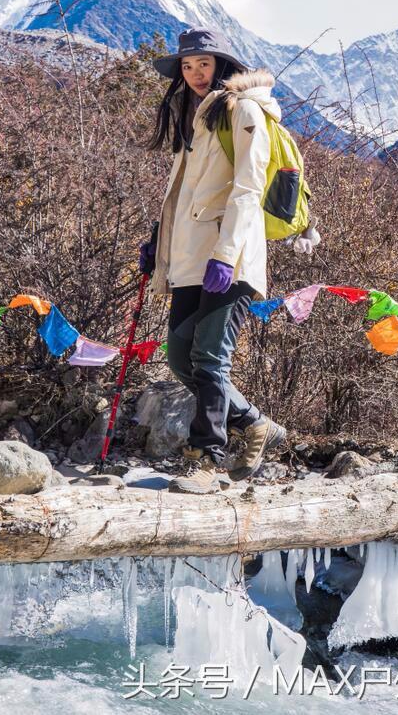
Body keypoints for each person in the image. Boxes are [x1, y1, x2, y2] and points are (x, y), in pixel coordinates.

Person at [140, 27, 287, 495]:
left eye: (203, 63)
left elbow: (248, 185)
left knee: (208, 357)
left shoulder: (243, 110)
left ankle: (205, 459)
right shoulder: (196, 115)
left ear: (223, 65)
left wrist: (226, 254)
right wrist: (158, 242)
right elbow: (185, 193)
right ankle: (256, 424)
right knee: (180, 357)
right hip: (188, 256)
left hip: (231, 257)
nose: (195, 73)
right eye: (187, 65)